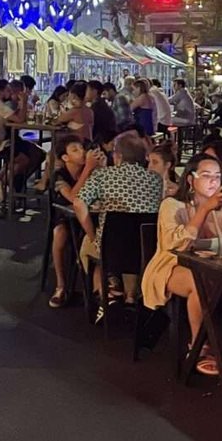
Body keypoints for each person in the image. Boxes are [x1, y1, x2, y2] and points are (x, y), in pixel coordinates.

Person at [142, 156, 222, 376]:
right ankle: (198, 346)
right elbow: (175, 245)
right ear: (190, 179)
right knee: (200, 283)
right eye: (206, 176)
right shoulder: (172, 205)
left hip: (216, 268)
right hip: (173, 265)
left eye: (217, 177)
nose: (213, 181)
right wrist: (204, 210)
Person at [70, 131, 167, 319]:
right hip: (145, 250)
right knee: (130, 245)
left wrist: (93, 235)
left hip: (111, 248)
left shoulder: (103, 175)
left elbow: (79, 203)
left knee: (87, 246)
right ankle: (130, 297)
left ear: (118, 156)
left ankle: (104, 294)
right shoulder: (156, 180)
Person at [45, 134, 97, 308]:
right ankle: (61, 285)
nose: (82, 152)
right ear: (65, 157)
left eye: (81, 148)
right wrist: (88, 168)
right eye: (75, 150)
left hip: (89, 217)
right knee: (60, 234)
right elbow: (73, 197)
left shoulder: (92, 171)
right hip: (64, 217)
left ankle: (101, 286)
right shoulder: (60, 176)